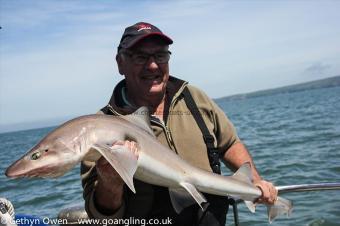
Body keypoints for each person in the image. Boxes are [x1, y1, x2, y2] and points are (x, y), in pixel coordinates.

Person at [81, 22, 278, 226]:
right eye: (141, 57)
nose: (153, 65)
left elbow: (229, 144)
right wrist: (110, 183)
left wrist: (254, 181)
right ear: (120, 63)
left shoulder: (194, 98)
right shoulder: (99, 128)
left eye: (160, 55)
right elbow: (101, 216)